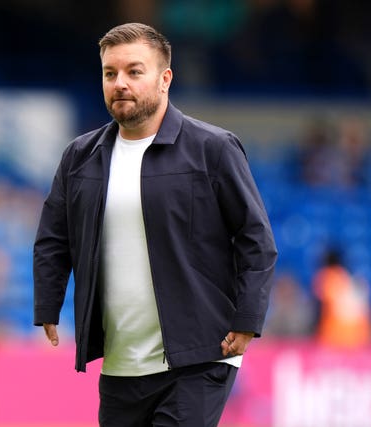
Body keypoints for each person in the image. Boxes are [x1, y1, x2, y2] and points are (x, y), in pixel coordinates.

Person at [33, 23, 277, 426]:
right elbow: (53, 238)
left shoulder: (213, 149)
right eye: (110, 74)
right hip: (120, 363)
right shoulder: (79, 157)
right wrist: (47, 303)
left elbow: (256, 239)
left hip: (200, 356)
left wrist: (248, 320)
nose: (120, 83)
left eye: (134, 71)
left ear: (165, 79)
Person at [311, 247, 371, 349]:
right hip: (358, 337)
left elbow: (320, 307)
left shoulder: (327, 276)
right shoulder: (351, 279)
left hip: (333, 336)